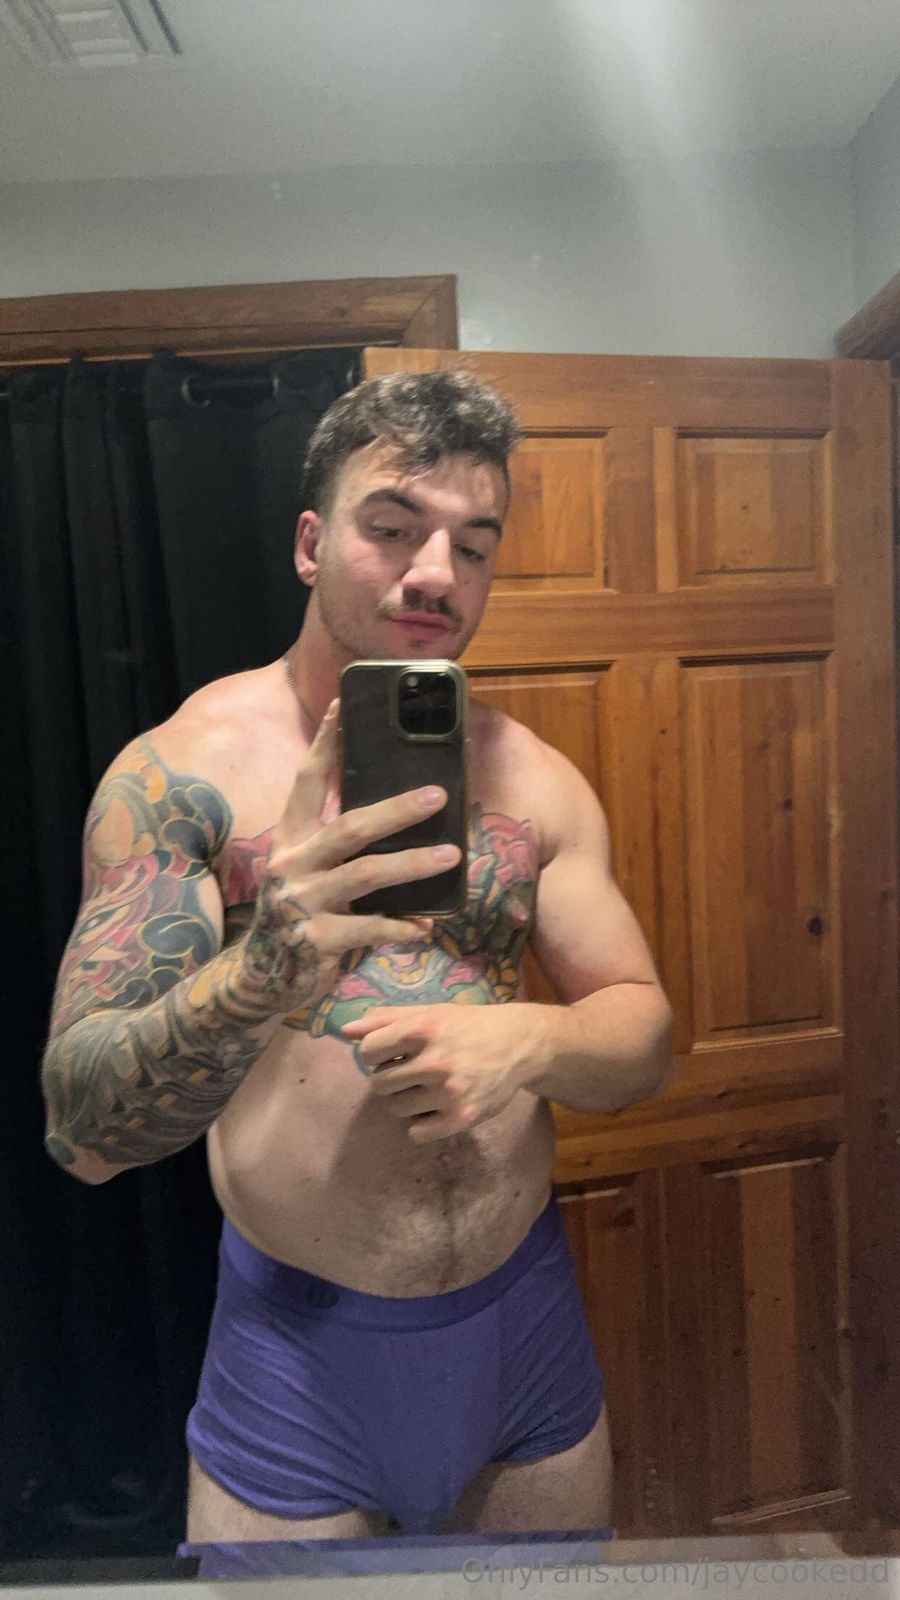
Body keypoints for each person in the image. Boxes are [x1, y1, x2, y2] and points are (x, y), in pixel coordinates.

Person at [41, 369, 673, 1542]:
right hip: (298, 1364)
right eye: (392, 526)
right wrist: (259, 972)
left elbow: (643, 1034)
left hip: (524, 1332)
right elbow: (82, 1131)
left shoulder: (536, 781)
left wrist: (527, 1039)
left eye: (473, 545)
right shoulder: (178, 775)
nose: (436, 572)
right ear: (309, 543)